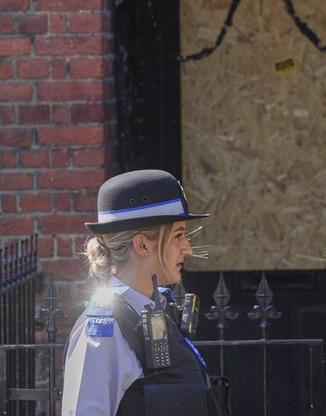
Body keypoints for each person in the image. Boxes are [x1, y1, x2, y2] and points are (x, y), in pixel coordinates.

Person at [61, 169, 230, 416]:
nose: (188, 248)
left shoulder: (158, 309)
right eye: (179, 235)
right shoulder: (105, 329)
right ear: (142, 245)